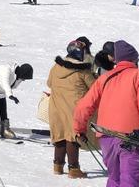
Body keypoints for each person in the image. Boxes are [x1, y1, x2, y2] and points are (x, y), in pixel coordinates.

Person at [73, 40, 139, 186]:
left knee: (114, 179)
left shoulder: (104, 78)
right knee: (130, 181)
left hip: (106, 137)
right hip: (131, 139)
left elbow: (83, 106)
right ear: (135, 59)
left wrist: (79, 130)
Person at [47, 39, 95, 179]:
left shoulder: (56, 67)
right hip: (74, 108)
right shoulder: (83, 71)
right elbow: (94, 88)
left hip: (56, 107)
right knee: (73, 137)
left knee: (60, 135)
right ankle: (74, 169)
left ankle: (58, 166)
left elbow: (49, 83)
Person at [0, 63, 33, 138]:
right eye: (24, 77)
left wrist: (10, 93)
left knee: (3, 108)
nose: (24, 80)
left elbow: (13, 86)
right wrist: (10, 95)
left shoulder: (18, 76)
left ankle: (4, 130)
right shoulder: (7, 70)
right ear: (22, 73)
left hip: (0, 89)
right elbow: (5, 83)